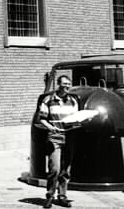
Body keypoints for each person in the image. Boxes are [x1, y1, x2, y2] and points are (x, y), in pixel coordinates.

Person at [36, 75, 79, 208]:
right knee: (55, 168)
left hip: (69, 137)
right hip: (54, 137)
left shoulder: (73, 101)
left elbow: (75, 118)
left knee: (66, 170)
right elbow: (41, 119)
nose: (67, 86)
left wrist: (81, 121)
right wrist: (50, 127)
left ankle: (62, 196)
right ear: (58, 85)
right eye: (64, 84)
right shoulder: (48, 100)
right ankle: (50, 196)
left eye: (69, 84)